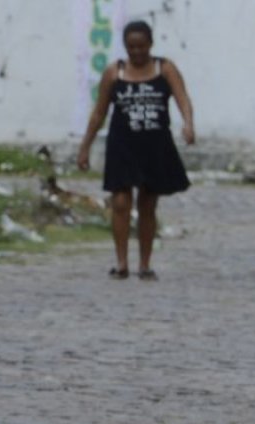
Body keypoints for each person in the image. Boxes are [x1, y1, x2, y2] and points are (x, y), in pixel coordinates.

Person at [77, 19, 195, 280]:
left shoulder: (165, 69)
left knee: (148, 204)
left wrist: (188, 124)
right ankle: (121, 262)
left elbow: (183, 98)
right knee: (120, 202)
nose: (137, 52)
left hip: (155, 146)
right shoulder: (113, 73)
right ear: (125, 47)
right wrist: (85, 146)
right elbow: (99, 113)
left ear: (150, 45)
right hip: (123, 146)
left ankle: (145, 263)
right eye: (132, 47)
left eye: (142, 46)